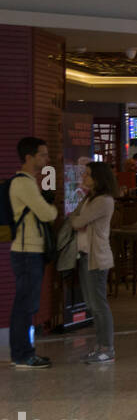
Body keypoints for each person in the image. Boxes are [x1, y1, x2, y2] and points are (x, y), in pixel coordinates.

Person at [8, 137, 57, 369]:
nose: (46, 159)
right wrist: (53, 208)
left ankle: (24, 353)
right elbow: (46, 214)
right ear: (29, 157)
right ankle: (22, 355)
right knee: (25, 305)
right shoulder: (24, 184)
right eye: (42, 155)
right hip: (27, 252)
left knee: (26, 304)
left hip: (29, 251)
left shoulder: (29, 182)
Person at [68, 161, 117, 364]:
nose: (84, 178)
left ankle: (107, 348)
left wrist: (78, 220)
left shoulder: (103, 201)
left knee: (98, 305)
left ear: (98, 178)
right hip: (85, 256)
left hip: (97, 258)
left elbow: (77, 221)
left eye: (88, 175)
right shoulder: (90, 199)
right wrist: (77, 219)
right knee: (91, 304)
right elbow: (75, 219)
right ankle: (100, 346)